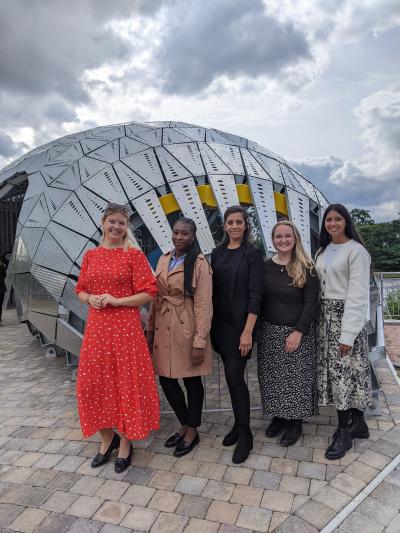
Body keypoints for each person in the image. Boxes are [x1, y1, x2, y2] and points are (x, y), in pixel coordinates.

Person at [75, 203, 159, 473]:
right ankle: (106, 437)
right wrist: (91, 298)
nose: (116, 227)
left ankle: (125, 442)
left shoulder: (132, 256)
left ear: (127, 227)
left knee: (124, 383)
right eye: (112, 221)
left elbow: (149, 292)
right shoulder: (90, 256)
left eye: (122, 223)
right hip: (97, 330)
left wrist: (117, 300)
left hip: (125, 329)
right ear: (103, 222)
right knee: (92, 384)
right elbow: (80, 290)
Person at [147, 218, 213, 457]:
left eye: (184, 234)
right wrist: (150, 329)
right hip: (164, 324)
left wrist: (199, 342)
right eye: (175, 232)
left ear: (193, 236)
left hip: (186, 326)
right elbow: (156, 296)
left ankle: (192, 430)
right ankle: (185, 423)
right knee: (166, 379)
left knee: (192, 380)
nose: (178, 237)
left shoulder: (199, 263)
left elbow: (204, 305)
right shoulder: (164, 258)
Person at [316, 203, 372, 460]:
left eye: (338, 219)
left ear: (346, 222)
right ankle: (359, 424)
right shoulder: (323, 249)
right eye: (328, 220)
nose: (332, 224)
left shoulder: (356, 251)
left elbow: (358, 296)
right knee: (343, 374)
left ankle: (343, 432)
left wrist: (347, 334)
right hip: (326, 318)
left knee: (344, 376)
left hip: (344, 319)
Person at [257, 221, 319, 447]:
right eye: (278, 236)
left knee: (296, 380)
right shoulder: (265, 266)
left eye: (287, 236)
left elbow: (311, 303)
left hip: (297, 333)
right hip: (270, 332)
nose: (283, 240)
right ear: (273, 239)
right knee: (274, 379)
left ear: (295, 239)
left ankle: (295, 422)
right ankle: (279, 416)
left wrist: (299, 332)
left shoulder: (306, 266)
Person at [211, 205, 264, 463]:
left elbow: (256, 295)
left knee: (234, 376)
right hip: (219, 327)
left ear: (245, 226)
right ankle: (237, 424)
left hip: (241, 327)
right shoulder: (216, 253)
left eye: (239, 222)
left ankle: (245, 434)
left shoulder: (252, 254)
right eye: (230, 222)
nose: (234, 226)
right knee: (231, 378)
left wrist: (247, 332)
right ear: (224, 225)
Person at [0, 255, 7, 322]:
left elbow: (4, 276)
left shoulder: (2, 266)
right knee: (0, 303)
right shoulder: (2, 266)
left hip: (1, 287)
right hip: (1, 287)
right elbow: (4, 275)